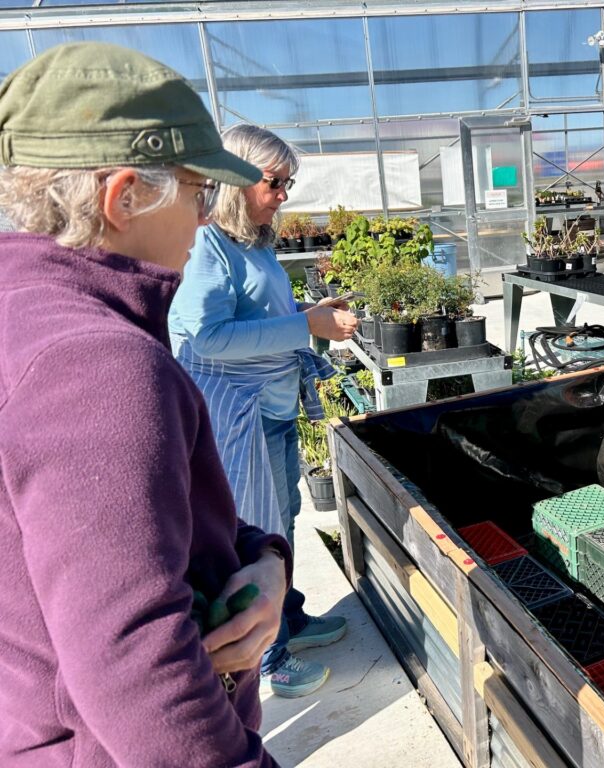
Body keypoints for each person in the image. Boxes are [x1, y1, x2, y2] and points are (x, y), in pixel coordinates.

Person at [0, 42, 289, 766]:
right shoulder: (94, 363)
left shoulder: (22, 314)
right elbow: (133, 655)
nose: (201, 220)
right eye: (197, 194)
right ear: (123, 195)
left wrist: (261, 554)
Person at [169, 124, 358, 698]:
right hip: (236, 413)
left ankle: (289, 616)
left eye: (288, 183)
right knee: (252, 525)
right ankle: (267, 658)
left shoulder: (254, 240)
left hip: (269, 407)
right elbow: (205, 335)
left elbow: (260, 312)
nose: (283, 195)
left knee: (284, 516)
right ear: (236, 177)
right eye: (275, 182)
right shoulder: (209, 245)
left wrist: (309, 309)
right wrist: (306, 326)